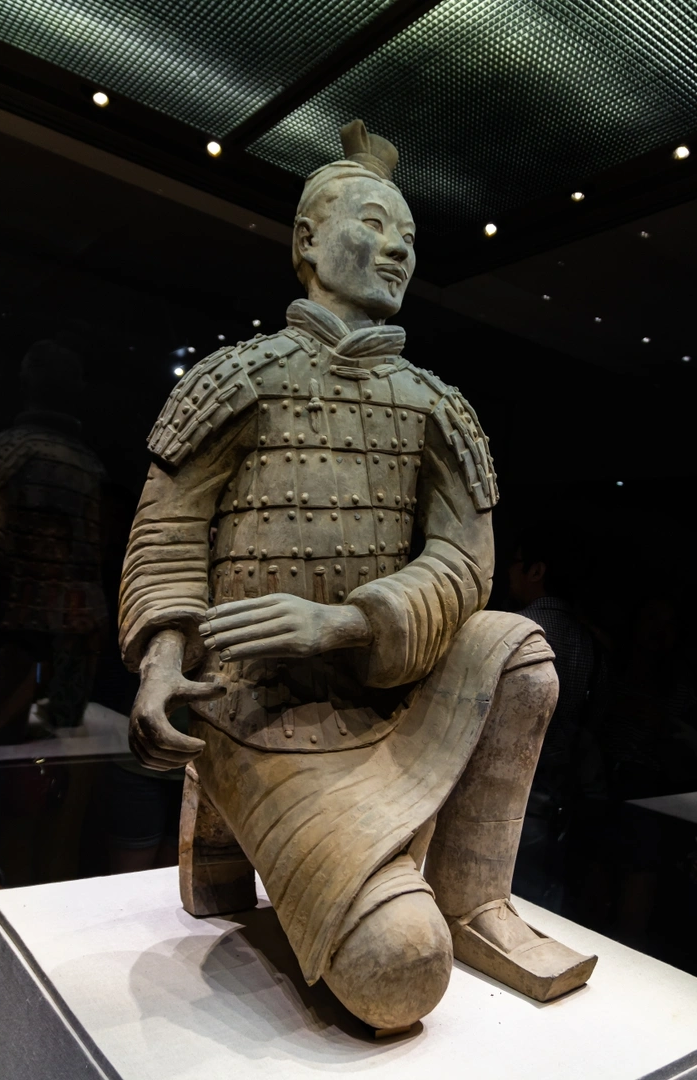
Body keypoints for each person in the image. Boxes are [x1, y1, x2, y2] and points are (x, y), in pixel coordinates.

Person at [119, 120, 596, 1032]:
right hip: (257, 713)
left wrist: (343, 623)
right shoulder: (237, 378)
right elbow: (170, 530)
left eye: (408, 238)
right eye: (373, 225)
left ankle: (475, 894)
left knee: (518, 648)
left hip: (384, 702)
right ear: (306, 241)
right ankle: (335, 871)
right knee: (399, 973)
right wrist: (161, 662)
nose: (396, 249)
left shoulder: (436, 406)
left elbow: (466, 563)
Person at [0, 340, 107, 745]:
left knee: (4, 725)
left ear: (25, 380)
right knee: (59, 719)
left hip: (16, 609)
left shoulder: (3, 449)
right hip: (72, 612)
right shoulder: (88, 464)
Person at [508, 527, 603, 910]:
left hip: (509, 788)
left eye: (515, 562)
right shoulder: (588, 641)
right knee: (542, 900)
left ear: (536, 571)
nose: (509, 571)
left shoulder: (513, 630)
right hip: (561, 792)